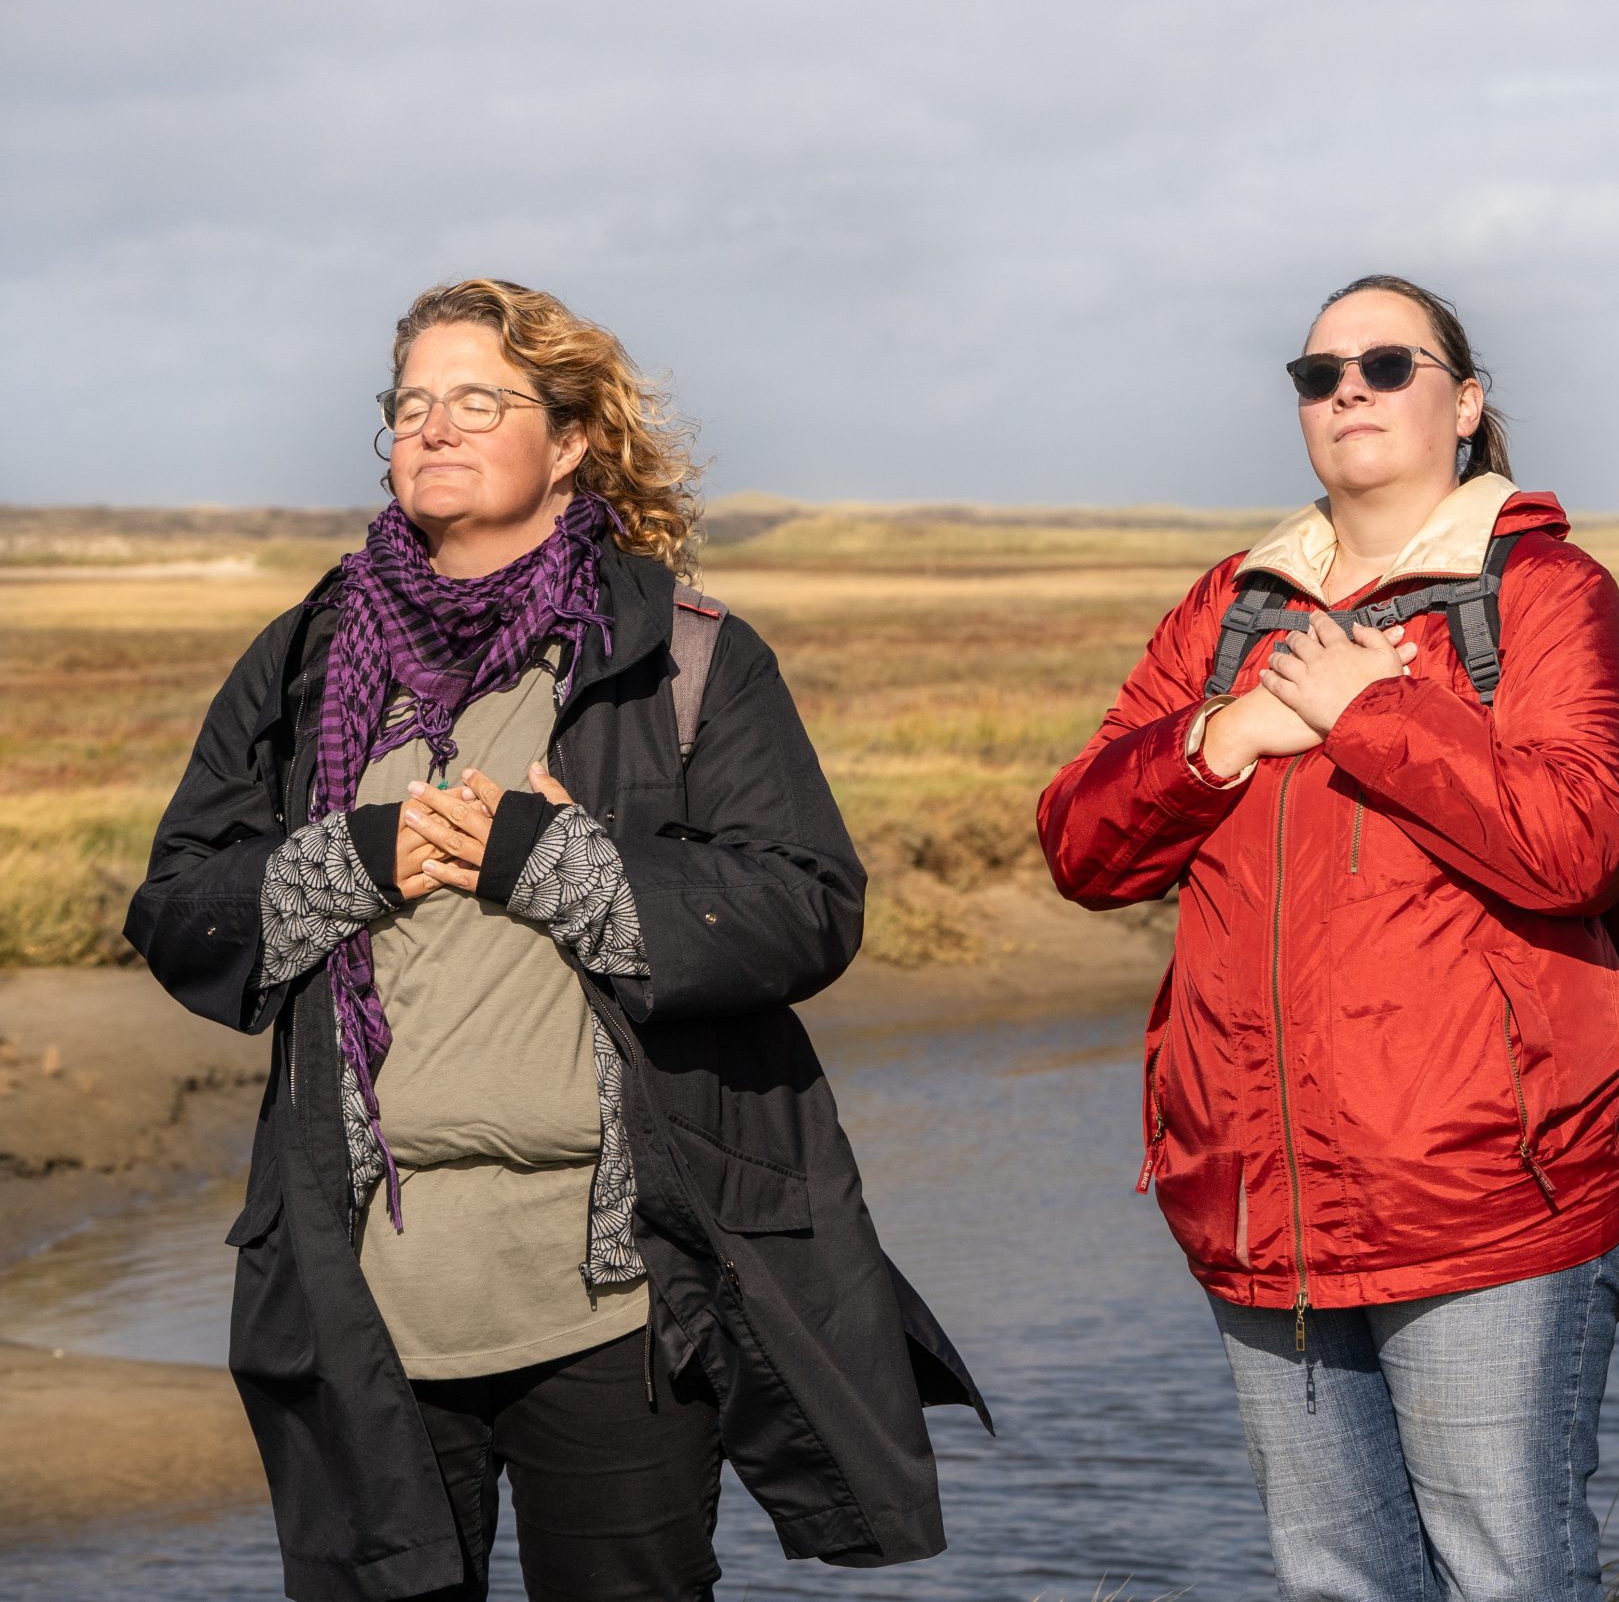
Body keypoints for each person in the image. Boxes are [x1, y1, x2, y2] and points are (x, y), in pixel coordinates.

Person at [126, 278, 983, 1602]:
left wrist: (560, 865)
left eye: (479, 400)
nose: (435, 426)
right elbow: (180, 904)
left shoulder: (680, 656)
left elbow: (806, 904)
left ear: (572, 438)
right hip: (361, 1288)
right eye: (413, 402)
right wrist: (347, 863)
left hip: (618, 1293)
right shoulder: (306, 658)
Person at [1039, 275, 1619, 1602]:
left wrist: (1370, 714)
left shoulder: (1544, 592)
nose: (1349, 393)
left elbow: (1577, 846)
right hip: (1261, 1198)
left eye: (1387, 365)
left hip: (1489, 1195)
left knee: (1509, 1573)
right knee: (1337, 1583)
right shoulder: (1229, 608)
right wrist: (1220, 737)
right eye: (1319, 375)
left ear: (1466, 402)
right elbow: (1083, 850)